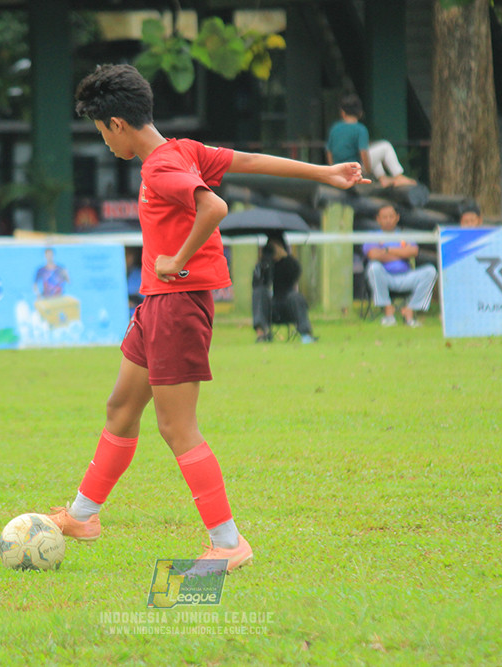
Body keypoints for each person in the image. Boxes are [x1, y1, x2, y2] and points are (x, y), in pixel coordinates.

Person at [47, 64, 368, 572]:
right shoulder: (185, 149)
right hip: (156, 305)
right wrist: (324, 173)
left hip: (177, 304)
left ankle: (227, 543)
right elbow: (251, 161)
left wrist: (176, 259)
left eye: (101, 132)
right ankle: (84, 516)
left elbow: (213, 207)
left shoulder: (160, 167)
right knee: (121, 409)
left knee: (177, 427)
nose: (105, 143)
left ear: (116, 124)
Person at [364, 204, 436, 328]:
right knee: (374, 267)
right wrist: (401, 253)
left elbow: (413, 252)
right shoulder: (372, 235)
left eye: (391, 216)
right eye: (384, 217)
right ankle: (388, 312)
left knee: (431, 271)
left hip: (406, 276)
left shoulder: (404, 235)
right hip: (385, 277)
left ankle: (410, 310)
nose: (388, 220)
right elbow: (373, 254)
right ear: (378, 219)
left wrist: (386, 250)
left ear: (397, 218)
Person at [326, 94, 416, 187]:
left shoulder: (335, 128)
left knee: (373, 153)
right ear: (360, 113)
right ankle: (398, 176)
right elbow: (363, 152)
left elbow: (329, 151)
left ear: (342, 112)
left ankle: (383, 179)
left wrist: (333, 170)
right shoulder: (360, 129)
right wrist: (368, 171)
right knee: (385, 146)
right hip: (354, 170)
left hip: (338, 170)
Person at [252, 236, 316, 344]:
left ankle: (306, 334)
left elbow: (295, 274)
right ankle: (261, 334)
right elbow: (256, 284)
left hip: (286, 305)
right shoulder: (263, 264)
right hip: (268, 308)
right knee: (259, 292)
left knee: (296, 297)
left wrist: (285, 257)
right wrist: (263, 262)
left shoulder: (288, 263)